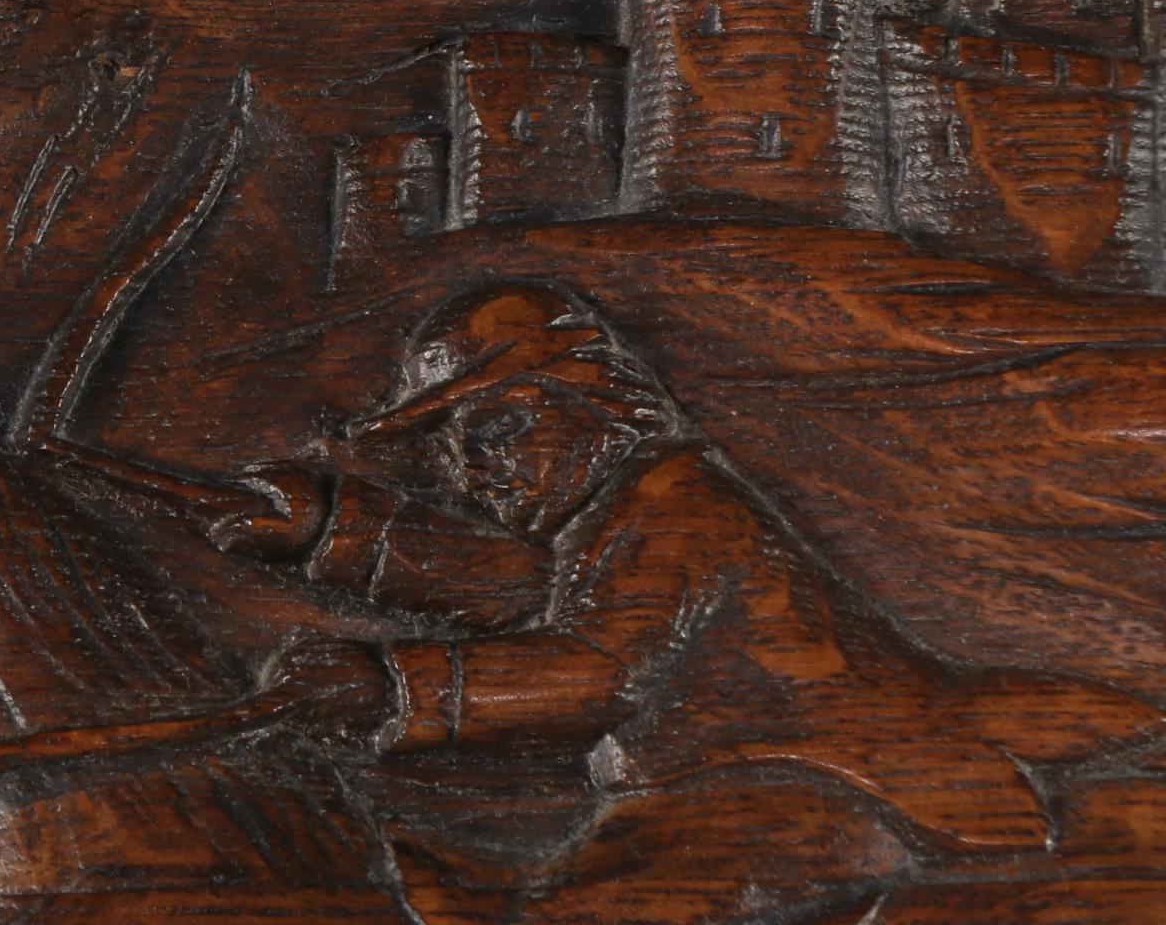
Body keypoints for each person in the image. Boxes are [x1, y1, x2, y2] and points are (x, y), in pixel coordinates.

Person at [233, 283, 1161, 924]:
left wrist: (392, 687)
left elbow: (600, 669)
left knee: (648, 891)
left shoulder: (677, 504)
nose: (477, 474)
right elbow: (518, 589)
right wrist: (329, 534)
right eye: (458, 448)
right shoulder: (614, 515)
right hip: (729, 772)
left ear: (590, 402)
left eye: (500, 430)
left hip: (814, 772)